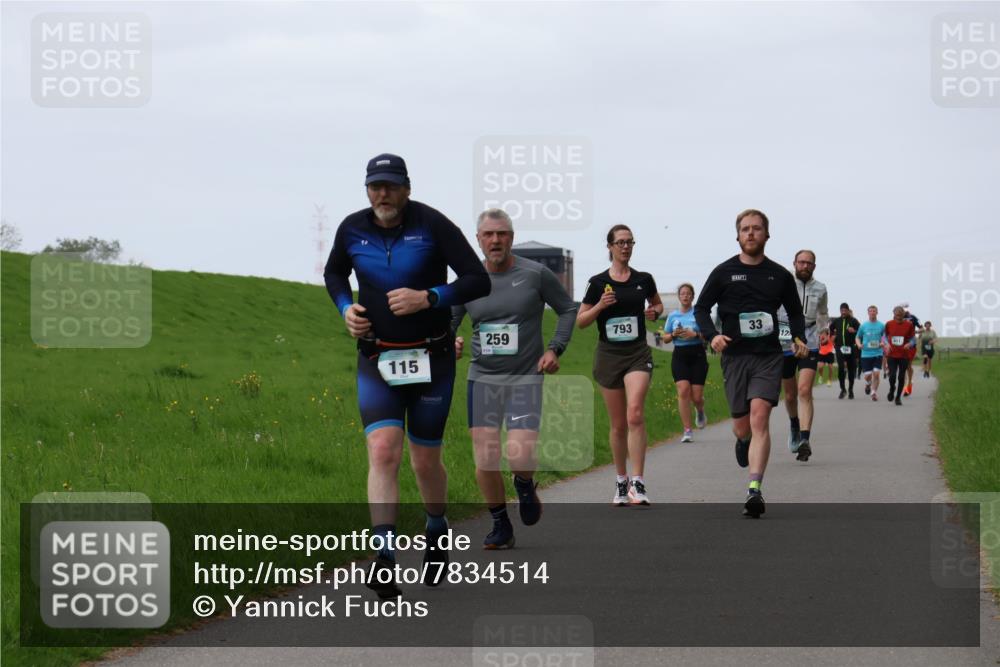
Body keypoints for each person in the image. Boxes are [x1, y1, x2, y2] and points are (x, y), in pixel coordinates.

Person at [324, 153, 491, 596]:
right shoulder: (351, 228)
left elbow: (477, 280)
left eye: (391, 186)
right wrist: (346, 309)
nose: (383, 194)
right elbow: (334, 272)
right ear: (366, 190)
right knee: (382, 451)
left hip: (431, 360)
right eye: (375, 186)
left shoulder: (433, 225)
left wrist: (430, 297)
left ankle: (437, 528)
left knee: (424, 460)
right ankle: (384, 557)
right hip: (377, 358)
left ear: (407, 188)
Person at [451, 209, 576, 549]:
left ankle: (524, 484)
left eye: (502, 234)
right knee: (485, 456)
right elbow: (448, 322)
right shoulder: (467, 280)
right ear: (478, 239)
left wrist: (555, 349)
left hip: (525, 377)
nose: (496, 240)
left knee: (519, 453)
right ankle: (500, 524)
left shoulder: (535, 274)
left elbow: (568, 309)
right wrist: (452, 341)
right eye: (489, 235)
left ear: (511, 236)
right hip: (483, 378)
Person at [694, 209, 807, 518]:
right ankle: (742, 440)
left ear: (766, 235)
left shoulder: (779, 275)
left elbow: (795, 312)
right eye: (745, 229)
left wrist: (797, 336)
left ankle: (754, 489)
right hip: (734, 357)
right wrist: (711, 336)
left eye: (757, 229)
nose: (751, 233)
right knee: (742, 426)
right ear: (738, 236)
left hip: (767, 357)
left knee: (760, 418)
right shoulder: (723, 272)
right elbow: (701, 308)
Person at [578, 224, 663, 506]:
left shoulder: (644, 279)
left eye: (630, 242)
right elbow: (581, 322)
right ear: (610, 247)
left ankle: (638, 483)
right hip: (609, 355)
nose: (626, 247)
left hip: (638, 353)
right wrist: (600, 305)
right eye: (621, 242)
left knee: (635, 414)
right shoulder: (598, 282)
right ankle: (621, 479)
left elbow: (657, 305)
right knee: (617, 425)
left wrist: (653, 312)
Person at [785, 249, 828, 461]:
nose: (804, 266)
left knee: (804, 390)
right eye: (801, 262)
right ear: (794, 263)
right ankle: (794, 424)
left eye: (809, 263)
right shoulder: (784, 282)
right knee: (791, 394)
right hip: (785, 340)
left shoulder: (820, 288)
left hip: (810, 338)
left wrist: (824, 331)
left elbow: (822, 313)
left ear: (814, 266)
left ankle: (804, 439)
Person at [663, 283, 709, 442]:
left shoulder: (698, 313)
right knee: (683, 391)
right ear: (679, 296)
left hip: (697, 355)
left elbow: (707, 335)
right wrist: (674, 334)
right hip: (680, 356)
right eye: (682, 293)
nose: (685, 296)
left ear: (692, 296)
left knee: (696, 397)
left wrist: (694, 334)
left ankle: (700, 410)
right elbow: (665, 337)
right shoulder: (673, 316)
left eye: (688, 294)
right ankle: (688, 430)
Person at [884, 306, 916, 406]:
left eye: (900, 315)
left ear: (903, 315)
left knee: (901, 377)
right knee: (892, 375)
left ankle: (898, 397)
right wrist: (887, 344)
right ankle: (892, 388)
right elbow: (884, 336)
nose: (898, 317)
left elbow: (913, 339)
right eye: (897, 315)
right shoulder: (889, 324)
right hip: (892, 354)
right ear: (893, 314)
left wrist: (909, 344)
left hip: (904, 355)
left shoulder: (909, 324)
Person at [829, 302, 861, 400]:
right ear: (840, 311)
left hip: (851, 347)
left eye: (845, 310)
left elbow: (861, 331)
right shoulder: (836, 321)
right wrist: (832, 336)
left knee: (851, 370)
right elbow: (830, 329)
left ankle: (850, 389)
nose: (843, 312)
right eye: (841, 310)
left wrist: (854, 331)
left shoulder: (853, 320)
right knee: (841, 368)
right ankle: (843, 389)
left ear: (848, 310)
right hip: (839, 347)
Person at [856, 305, 886, 401]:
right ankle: (868, 384)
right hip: (866, 354)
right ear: (868, 313)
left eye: (874, 311)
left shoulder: (881, 325)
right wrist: (859, 344)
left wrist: (882, 342)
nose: (872, 312)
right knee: (867, 376)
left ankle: (873, 392)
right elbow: (857, 337)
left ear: (877, 312)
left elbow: (885, 336)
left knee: (876, 374)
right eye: (870, 311)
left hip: (877, 353)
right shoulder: (863, 325)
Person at [900, 303, 922, 396]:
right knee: (902, 366)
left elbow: (922, 328)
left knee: (908, 365)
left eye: (905, 309)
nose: (904, 311)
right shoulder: (897, 317)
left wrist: (915, 331)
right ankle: (906, 384)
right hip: (900, 344)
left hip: (911, 345)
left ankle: (908, 384)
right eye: (902, 309)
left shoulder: (913, 318)